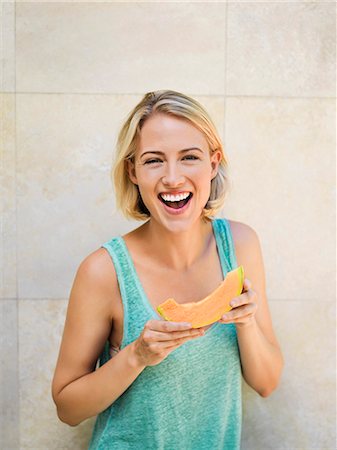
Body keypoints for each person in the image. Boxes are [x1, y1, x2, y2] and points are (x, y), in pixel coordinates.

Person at [51, 90, 284, 449]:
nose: (173, 178)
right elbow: (67, 408)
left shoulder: (240, 246)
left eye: (189, 157)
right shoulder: (103, 271)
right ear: (133, 172)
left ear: (213, 163)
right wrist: (137, 355)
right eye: (154, 160)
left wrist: (247, 322)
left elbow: (267, 383)